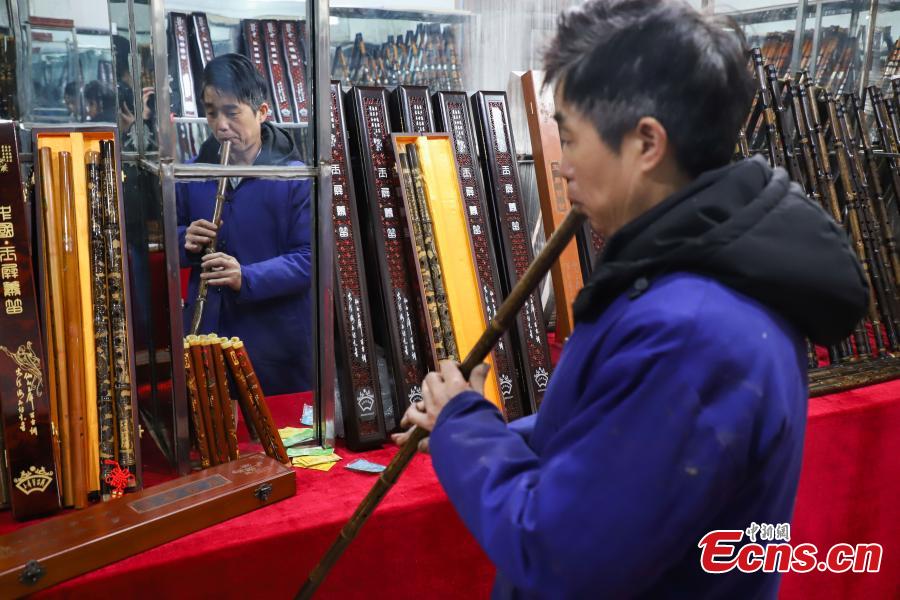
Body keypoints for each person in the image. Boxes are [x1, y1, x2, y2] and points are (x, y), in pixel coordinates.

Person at [394, 0, 868, 597]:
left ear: (647, 143)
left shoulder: (695, 332)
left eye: (569, 138)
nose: (561, 166)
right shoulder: (682, 278)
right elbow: (614, 433)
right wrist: (473, 423)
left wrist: (464, 427)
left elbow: (561, 550)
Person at [177, 53, 312, 394]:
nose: (220, 124)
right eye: (211, 112)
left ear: (262, 112)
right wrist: (185, 240)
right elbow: (170, 238)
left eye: (232, 112)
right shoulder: (192, 174)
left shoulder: (293, 177)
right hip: (208, 335)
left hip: (274, 342)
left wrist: (246, 276)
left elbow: (309, 259)